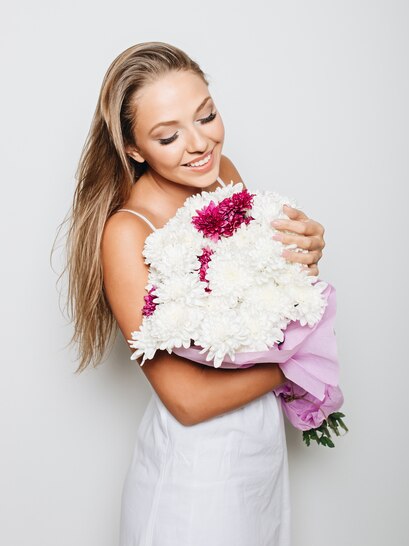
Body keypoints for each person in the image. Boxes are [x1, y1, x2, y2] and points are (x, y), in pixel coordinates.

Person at [62, 41, 326, 545]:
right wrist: (298, 361)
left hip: (259, 454)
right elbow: (186, 401)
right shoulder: (128, 234)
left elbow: (269, 291)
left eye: (206, 116)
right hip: (197, 474)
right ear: (134, 149)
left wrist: (306, 253)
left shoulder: (222, 177)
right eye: (168, 135)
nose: (200, 143)